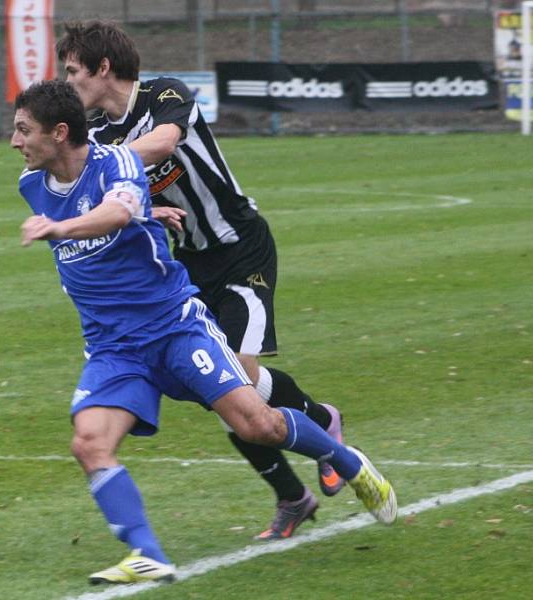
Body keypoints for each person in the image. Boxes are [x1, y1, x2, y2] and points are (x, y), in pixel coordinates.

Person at [12, 79, 397, 586]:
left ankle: (345, 459)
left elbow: (118, 208)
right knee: (88, 443)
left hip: (173, 327)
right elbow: (123, 215)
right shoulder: (31, 185)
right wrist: (151, 215)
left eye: (23, 130)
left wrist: (67, 227)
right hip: (113, 347)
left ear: (59, 133)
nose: (15, 141)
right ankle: (146, 553)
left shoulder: (118, 162)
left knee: (256, 425)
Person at [57, 20, 344, 541]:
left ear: (102, 68)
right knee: (224, 393)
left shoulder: (165, 93)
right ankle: (292, 496)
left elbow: (165, 144)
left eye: (73, 70)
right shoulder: (99, 133)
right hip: (186, 266)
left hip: (241, 248)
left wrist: (100, 164)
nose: (68, 80)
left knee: (239, 377)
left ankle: (322, 423)